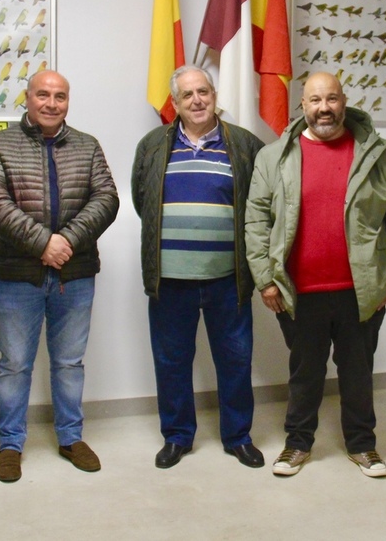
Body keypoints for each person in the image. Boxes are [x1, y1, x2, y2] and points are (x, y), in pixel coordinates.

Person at [246, 71, 386, 478]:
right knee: (305, 374)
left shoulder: (380, 153)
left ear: (345, 101)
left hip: (361, 290)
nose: (325, 108)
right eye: (315, 100)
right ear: (302, 106)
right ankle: (297, 444)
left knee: (358, 373)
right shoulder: (273, 157)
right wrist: (266, 279)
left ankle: (363, 445)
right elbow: (256, 221)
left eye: (332, 98)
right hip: (299, 290)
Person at [0, 69, 118, 483]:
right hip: (16, 275)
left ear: (68, 101)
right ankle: (10, 444)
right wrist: (42, 243)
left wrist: (66, 241)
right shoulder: (0, 144)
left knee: (70, 363)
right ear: (27, 97)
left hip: (74, 274)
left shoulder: (88, 146)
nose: (51, 103)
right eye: (43, 94)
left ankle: (71, 437)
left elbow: (106, 197)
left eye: (60, 96)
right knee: (15, 364)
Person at [131, 65, 266, 469]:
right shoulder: (154, 145)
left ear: (214, 95)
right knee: (171, 362)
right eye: (187, 94)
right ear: (175, 102)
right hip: (170, 279)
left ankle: (238, 436)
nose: (197, 100)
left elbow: (260, 205)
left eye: (203, 91)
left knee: (236, 361)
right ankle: (177, 436)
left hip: (229, 278)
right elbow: (144, 200)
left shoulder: (244, 144)